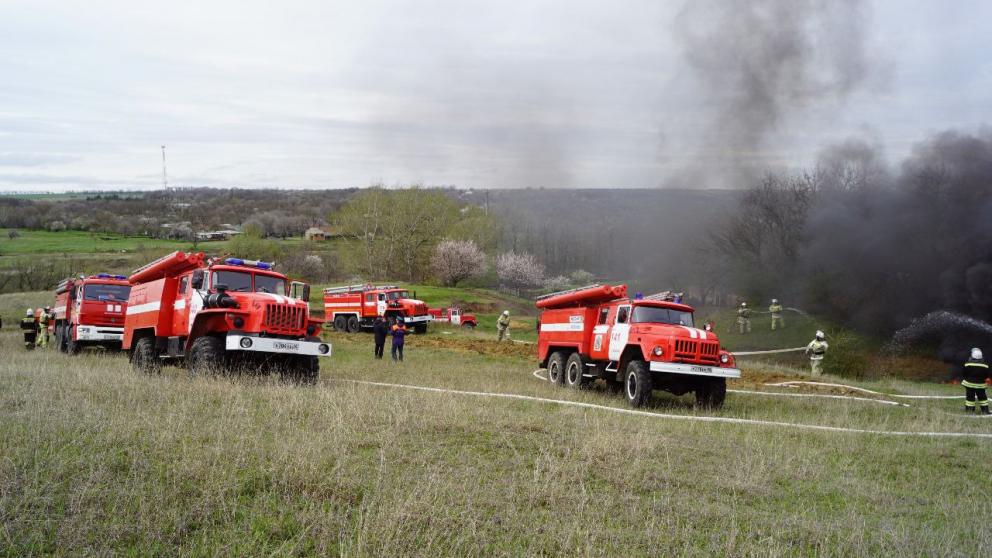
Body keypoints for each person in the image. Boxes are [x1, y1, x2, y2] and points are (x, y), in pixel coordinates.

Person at [962, 348, 990, 414]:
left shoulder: (967, 364)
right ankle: (985, 410)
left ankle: (969, 410)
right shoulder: (985, 366)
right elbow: (987, 375)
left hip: (969, 385)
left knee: (970, 398)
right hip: (980, 385)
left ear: (972, 356)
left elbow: (964, 373)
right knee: (983, 398)